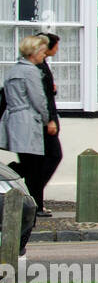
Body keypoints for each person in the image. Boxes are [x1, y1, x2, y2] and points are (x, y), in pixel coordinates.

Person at [0, 36, 50, 213]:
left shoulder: (13, 71)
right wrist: (46, 119)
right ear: (34, 53)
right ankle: (34, 205)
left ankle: (33, 203)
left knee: (29, 164)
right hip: (28, 121)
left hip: (14, 120)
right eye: (43, 52)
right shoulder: (31, 72)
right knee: (35, 167)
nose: (44, 56)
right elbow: (38, 99)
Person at [30, 33, 63, 217]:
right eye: (55, 46)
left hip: (47, 118)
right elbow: (40, 98)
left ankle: (37, 202)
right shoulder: (38, 68)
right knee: (53, 156)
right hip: (44, 121)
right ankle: (32, 193)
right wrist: (49, 120)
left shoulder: (42, 67)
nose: (57, 49)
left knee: (44, 161)